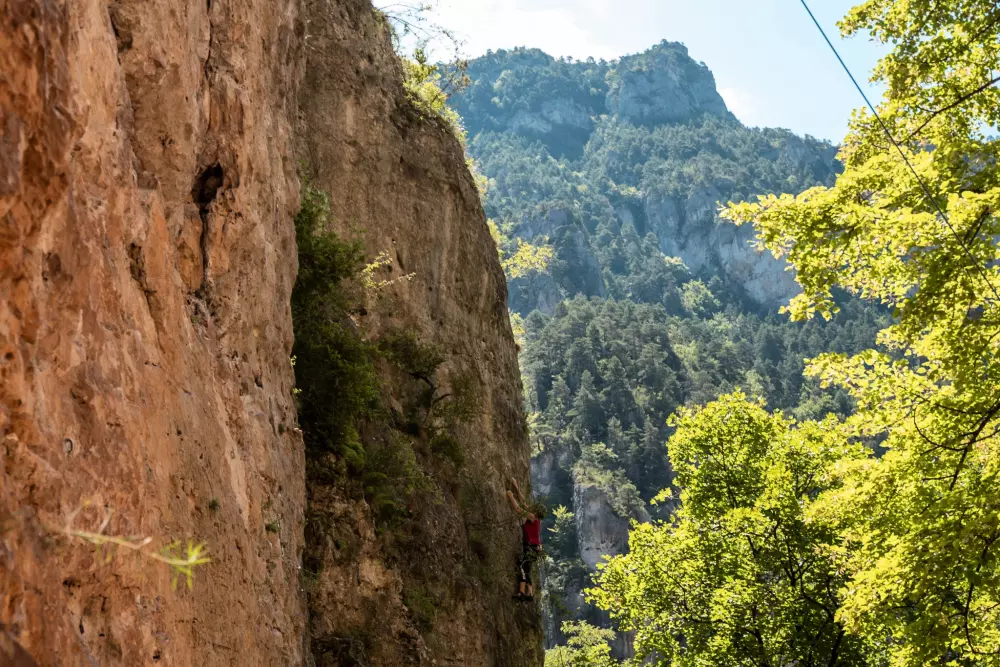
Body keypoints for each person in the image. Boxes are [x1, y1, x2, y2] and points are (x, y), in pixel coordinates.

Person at [506, 478, 545, 602]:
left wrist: (511, 496)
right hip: (535, 547)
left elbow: (519, 509)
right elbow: (523, 502)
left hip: (530, 546)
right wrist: (516, 487)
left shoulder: (532, 517)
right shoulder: (535, 518)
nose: (531, 507)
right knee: (527, 568)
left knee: (523, 567)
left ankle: (523, 593)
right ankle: (529, 593)